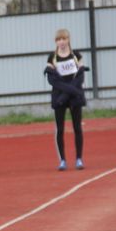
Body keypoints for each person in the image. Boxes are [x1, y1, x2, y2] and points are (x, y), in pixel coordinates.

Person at [45, 29, 88, 171]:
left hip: (75, 97)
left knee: (77, 127)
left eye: (64, 39)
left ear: (68, 40)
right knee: (60, 129)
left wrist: (71, 92)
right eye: (58, 40)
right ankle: (62, 160)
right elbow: (52, 80)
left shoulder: (76, 55)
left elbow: (80, 77)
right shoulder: (52, 58)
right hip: (59, 98)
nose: (61, 42)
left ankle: (79, 159)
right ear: (56, 42)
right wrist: (64, 94)